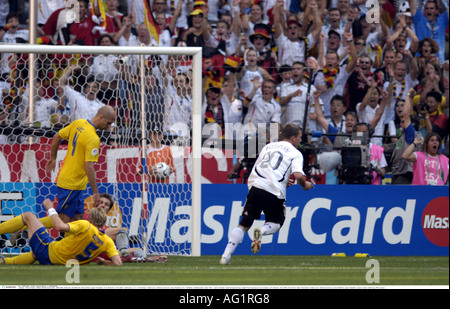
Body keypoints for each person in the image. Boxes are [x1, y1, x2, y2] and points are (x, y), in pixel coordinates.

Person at [220, 123, 314, 265]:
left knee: (244, 224)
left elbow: (259, 168)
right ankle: (262, 230)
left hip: (256, 187)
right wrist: (305, 184)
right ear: (293, 137)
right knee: (276, 222)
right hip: (274, 191)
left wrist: (282, 180)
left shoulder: (268, 147)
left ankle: (226, 255)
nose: (301, 140)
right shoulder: (295, 153)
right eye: (300, 137)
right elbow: (299, 176)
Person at [45, 105, 116, 224]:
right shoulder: (93, 138)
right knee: (62, 222)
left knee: (78, 220)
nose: (108, 127)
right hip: (71, 184)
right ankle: (26, 225)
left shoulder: (79, 123)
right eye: (108, 123)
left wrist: (53, 158)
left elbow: (57, 136)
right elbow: (89, 166)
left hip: (76, 184)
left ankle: (75, 242)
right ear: (101, 117)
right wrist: (95, 193)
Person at [0, 198, 122, 266]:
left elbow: (59, 226)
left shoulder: (85, 225)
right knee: (36, 252)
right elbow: (118, 264)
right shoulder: (107, 241)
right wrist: (105, 262)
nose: (102, 205)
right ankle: (4, 261)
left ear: (90, 217)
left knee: (28, 216)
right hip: (61, 262)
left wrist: (50, 208)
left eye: (106, 204)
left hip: (49, 251)